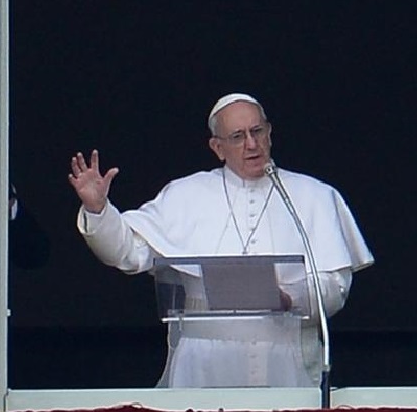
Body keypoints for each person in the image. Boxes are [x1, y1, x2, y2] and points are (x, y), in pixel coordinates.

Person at [66, 93, 373, 388]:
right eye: (238, 137)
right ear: (217, 147)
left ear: (270, 133)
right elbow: (129, 253)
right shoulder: (185, 194)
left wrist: (290, 298)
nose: (251, 144)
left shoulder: (314, 195)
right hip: (203, 364)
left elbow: (336, 286)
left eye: (257, 131)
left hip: (287, 358)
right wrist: (98, 210)